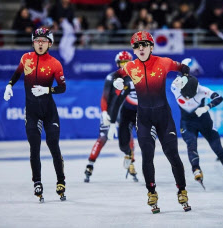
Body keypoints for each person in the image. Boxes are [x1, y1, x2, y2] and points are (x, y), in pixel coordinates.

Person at [113, 31, 191, 213]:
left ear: (151, 46)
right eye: (137, 46)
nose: (141, 48)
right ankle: (152, 192)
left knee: (172, 154)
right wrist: (117, 82)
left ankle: (182, 190)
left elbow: (184, 68)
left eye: (144, 45)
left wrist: (184, 78)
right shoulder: (130, 66)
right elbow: (115, 76)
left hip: (164, 117)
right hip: (145, 118)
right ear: (133, 50)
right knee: (147, 156)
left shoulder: (163, 62)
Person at [3, 27, 66, 202]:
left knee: (53, 144)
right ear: (33, 42)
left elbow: (62, 88)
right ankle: (37, 181)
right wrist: (9, 85)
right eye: (37, 41)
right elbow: (16, 74)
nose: (40, 44)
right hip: (32, 112)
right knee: (34, 147)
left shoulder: (55, 64)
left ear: (50, 43)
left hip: (49, 112)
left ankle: (61, 180)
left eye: (44, 41)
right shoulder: (26, 58)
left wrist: (47, 89)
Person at [170, 65, 223, 190]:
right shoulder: (174, 86)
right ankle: (196, 169)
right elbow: (181, 72)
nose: (188, 98)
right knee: (191, 144)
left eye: (191, 95)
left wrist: (206, 107)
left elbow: (219, 97)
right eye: (186, 95)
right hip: (187, 124)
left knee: (218, 149)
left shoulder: (201, 89)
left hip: (205, 122)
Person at [84, 51, 137, 182]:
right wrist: (104, 112)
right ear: (118, 64)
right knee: (103, 137)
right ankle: (90, 163)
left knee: (128, 137)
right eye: (122, 64)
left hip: (123, 112)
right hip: (110, 111)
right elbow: (104, 98)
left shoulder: (134, 77)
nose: (124, 67)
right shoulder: (111, 77)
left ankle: (130, 162)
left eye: (127, 64)